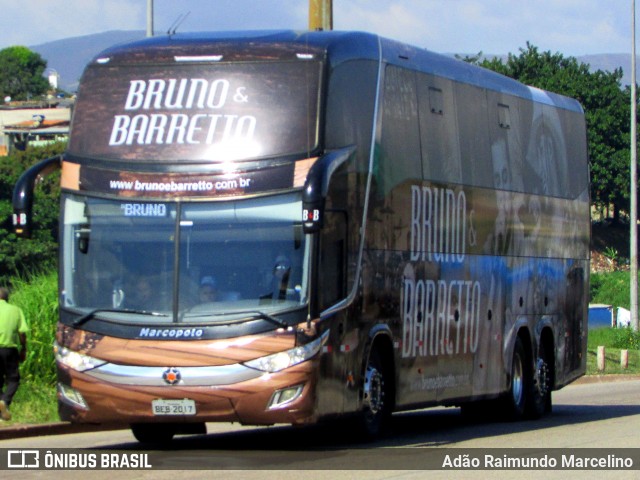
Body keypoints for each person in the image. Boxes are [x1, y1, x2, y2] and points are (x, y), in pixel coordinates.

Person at [0, 287, 28, 421]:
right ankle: (4, 401)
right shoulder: (15, 310)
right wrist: (24, 348)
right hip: (9, 350)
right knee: (13, 379)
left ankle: (2, 406)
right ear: (7, 298)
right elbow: (22, 332)